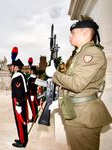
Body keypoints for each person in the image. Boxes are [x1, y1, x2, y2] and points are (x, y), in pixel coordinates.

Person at [46, 18, 112, 150]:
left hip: (84, 117)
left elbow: (77, 84)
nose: (70, 36)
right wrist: (59, 102)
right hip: (77, 113)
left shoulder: (92, 53)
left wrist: (54, 74)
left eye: (73, 33)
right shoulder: (80, 54)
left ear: (85, 33)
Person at [11, 58, 28, 148]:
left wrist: (18, 104)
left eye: (12, 66)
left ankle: (22, 141)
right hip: (22, 101)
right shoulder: (22, 74)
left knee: (20, 121)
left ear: (16, 67)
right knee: (22, 121)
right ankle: (23, 138)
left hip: (18, 102)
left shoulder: (17, 76)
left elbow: (18, 91)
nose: (11, 67)